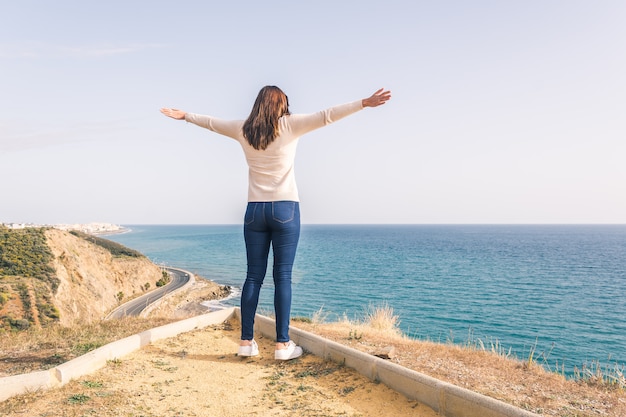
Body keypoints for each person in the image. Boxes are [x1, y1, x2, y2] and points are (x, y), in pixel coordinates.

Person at [160, 86, 391, 360]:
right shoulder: (290, 126)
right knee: (282, 277)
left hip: (254, 211)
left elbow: (211, 123)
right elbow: (327, 115)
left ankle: (246, 342)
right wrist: (363, 103)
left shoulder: (243, 129)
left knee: (253, 276)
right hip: (285, 209)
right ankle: (282, 345)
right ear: (281, 105)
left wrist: (185, 115)